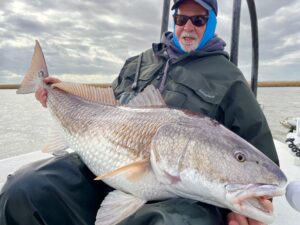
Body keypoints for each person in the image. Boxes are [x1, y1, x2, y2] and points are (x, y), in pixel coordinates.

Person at [0, 0, 279, 225]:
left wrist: (242, 208)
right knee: (24, 189)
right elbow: (108, 103)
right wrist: (61, 92)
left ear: (212, 22)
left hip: (177, 196)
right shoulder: (139, 62)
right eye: (181, 18)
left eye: (199, 19)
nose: (188, 27)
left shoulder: (229, 78)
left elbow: (256, 150)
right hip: (101, 160)